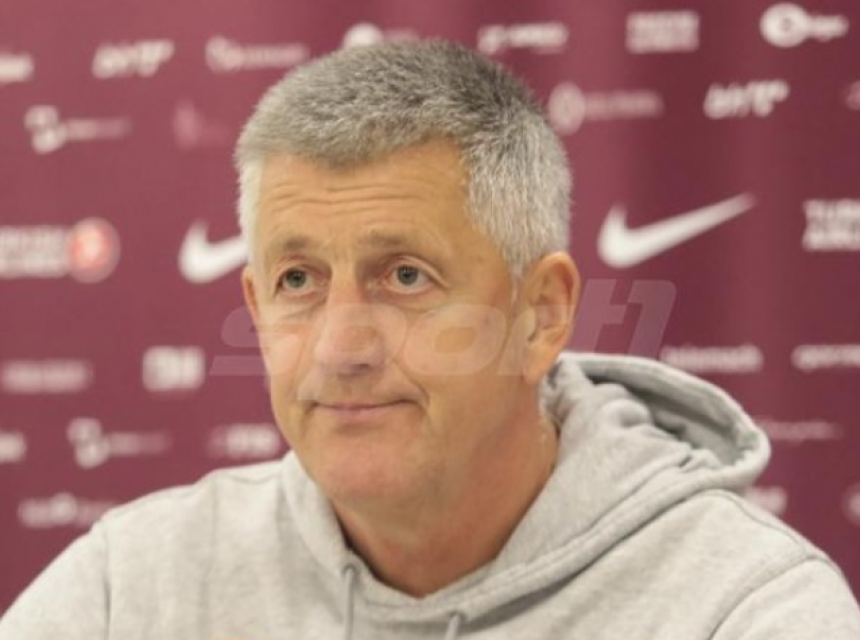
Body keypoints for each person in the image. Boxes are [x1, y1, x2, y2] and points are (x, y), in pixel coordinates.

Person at [1, 40, 858, 640]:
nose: (340, 347)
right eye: (298, 281)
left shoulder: (748, 609)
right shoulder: (129, 588)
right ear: (256, 309)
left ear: (541, 314)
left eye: (406, 276)